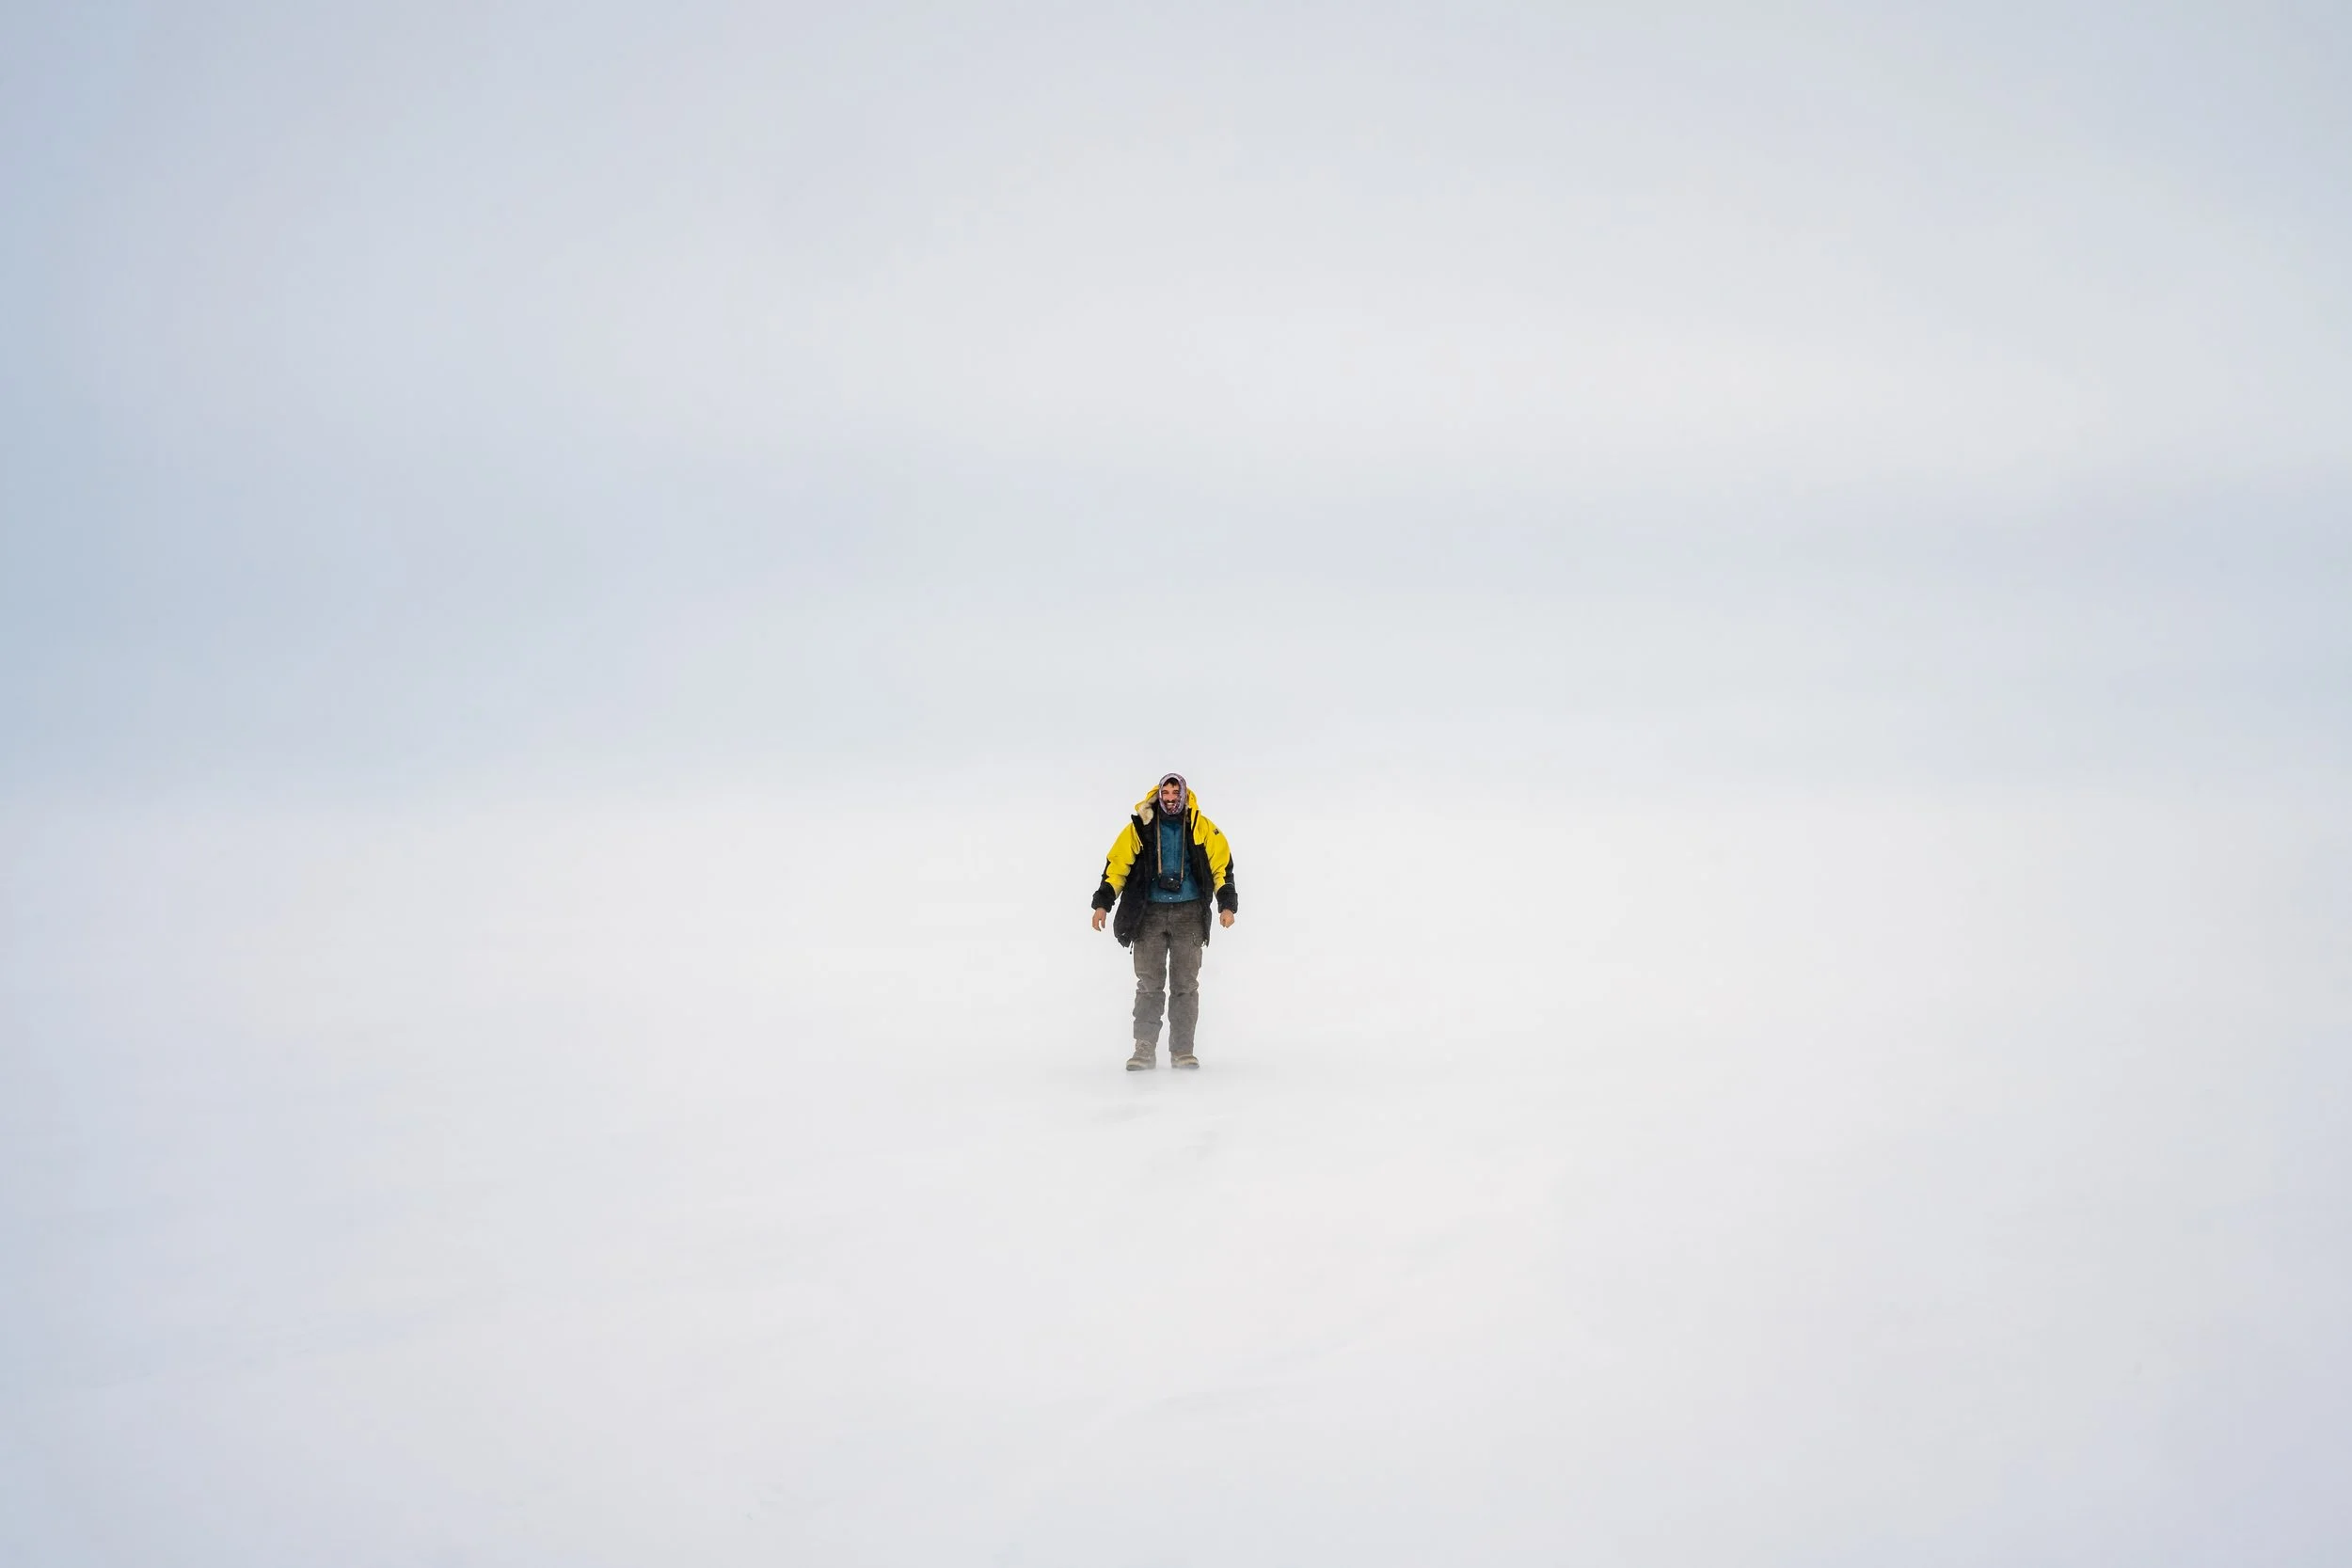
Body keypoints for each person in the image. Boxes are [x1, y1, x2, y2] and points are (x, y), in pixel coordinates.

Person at [1089, 772, 1239, 1069]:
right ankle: (1144, 1049)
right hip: (1149, 916)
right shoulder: (1139, 827)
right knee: (1149, 985)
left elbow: (1222, 866)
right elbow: (1117, 866)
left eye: (1175, 794)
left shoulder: (1203, 828)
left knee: (1186, 985)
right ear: (1159, 795)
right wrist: (1103, 903)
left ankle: (1182, 1051)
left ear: (1184, 795)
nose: (1170, 799)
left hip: (1189, 916)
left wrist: (1227, 904)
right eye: (1165, 794)